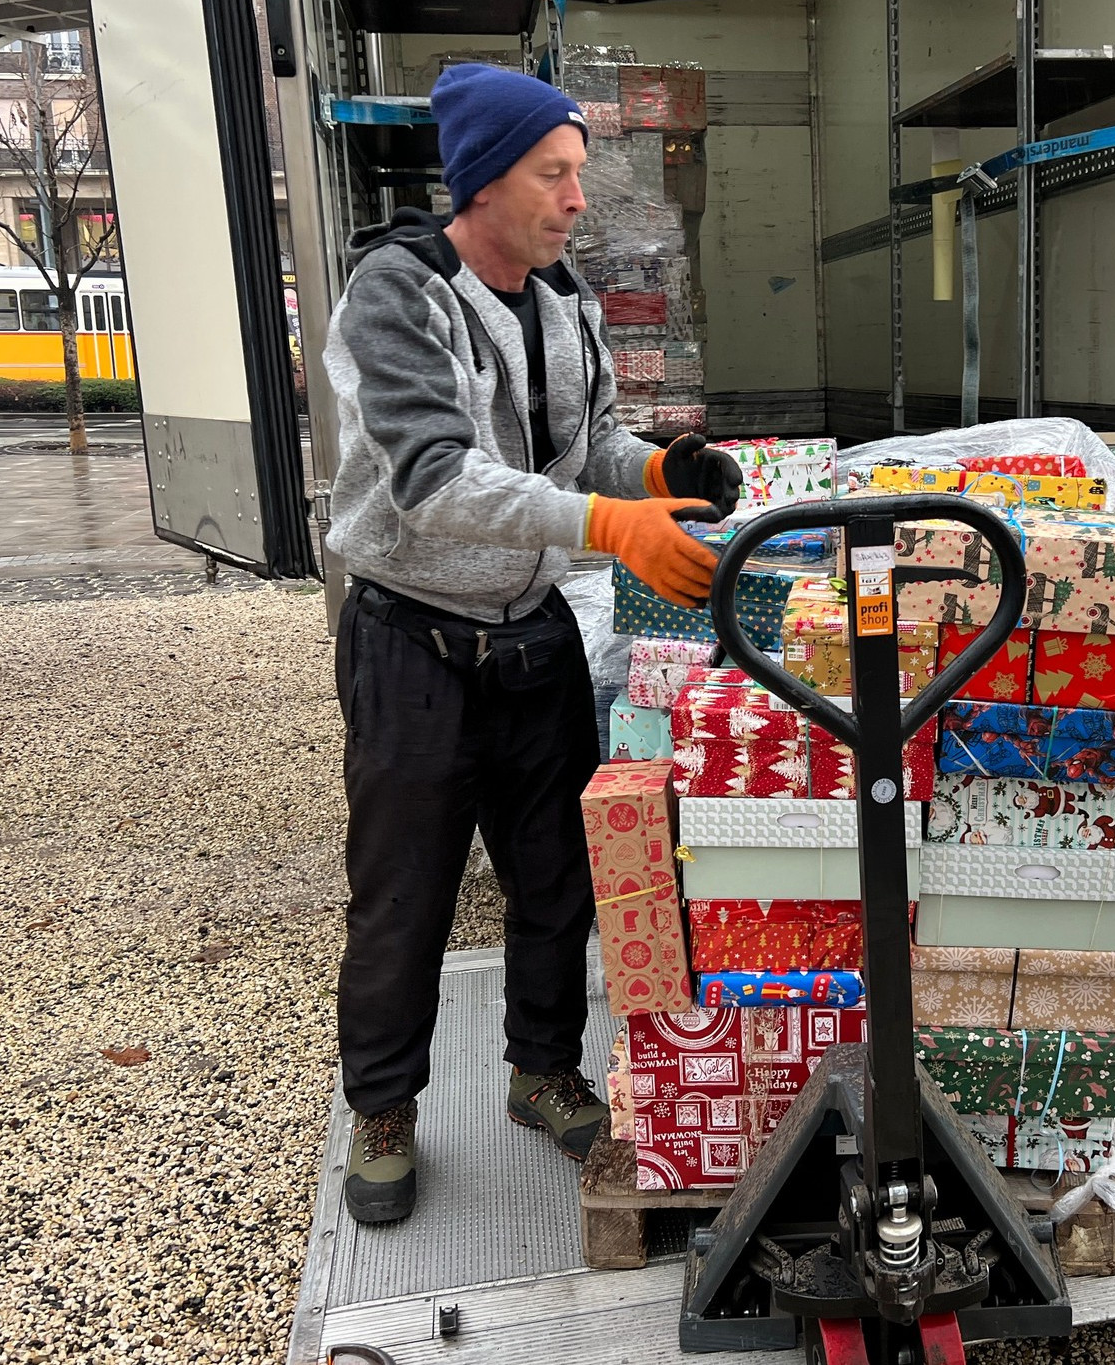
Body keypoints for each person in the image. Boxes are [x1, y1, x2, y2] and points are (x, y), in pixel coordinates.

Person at [321, 64, 743, 1224]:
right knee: (402, 892)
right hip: (412, 640)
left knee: (558, 877)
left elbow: (586, 442)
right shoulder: (396, 296)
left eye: (574, 174)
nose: (575, 199)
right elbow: (432, 482)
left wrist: (658, 470)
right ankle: (383, 1109)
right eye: (552, 175)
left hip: (531, 637)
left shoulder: (562, 302)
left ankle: (543, 1074)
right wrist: (611, 526)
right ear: (483, 181)